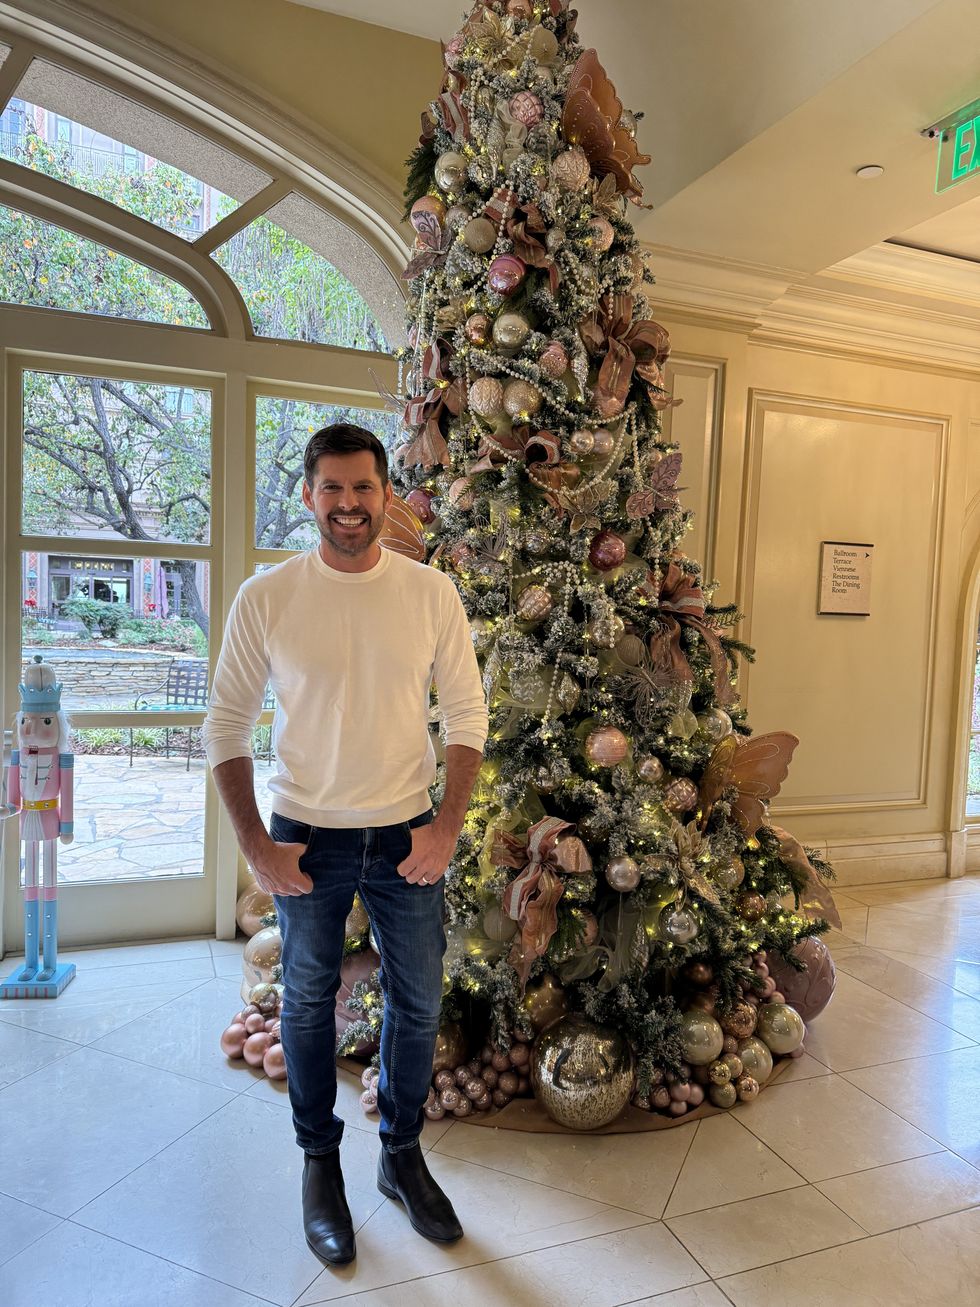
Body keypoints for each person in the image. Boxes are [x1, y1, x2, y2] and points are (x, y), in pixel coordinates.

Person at [203, 424, 487, 1266]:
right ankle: (320, 1164)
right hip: (305, 837)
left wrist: (447, 826)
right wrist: (257, 847)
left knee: (420, 1002)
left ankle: (401, 1155)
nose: (349, 504)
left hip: (406, 835)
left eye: (364, 487)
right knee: (304, 1002)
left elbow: (467, 715)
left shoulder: (431, 593)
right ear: (308, 495)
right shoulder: (269, 596)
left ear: (386, 494)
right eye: (332, 487)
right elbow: (225, 725)